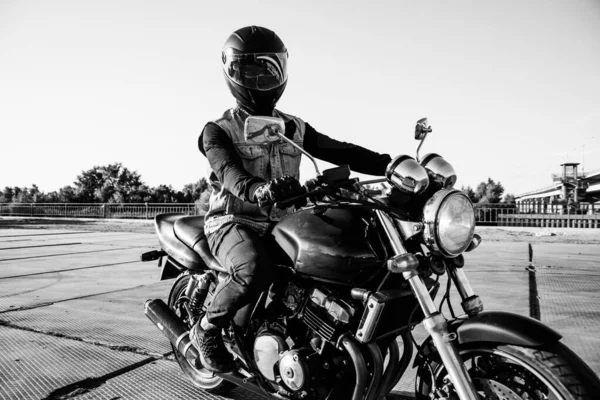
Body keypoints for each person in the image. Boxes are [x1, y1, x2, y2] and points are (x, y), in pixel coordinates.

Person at [191, 25, 392, 373]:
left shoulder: (294, 127)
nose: (262, 77)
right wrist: (259, 190)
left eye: (270, 68)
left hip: (285, 221)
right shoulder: (218, 130)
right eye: (252, 69)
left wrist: (390, 164)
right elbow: (230, 174)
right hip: (234, 221)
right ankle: (206, 329)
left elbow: (340, 150)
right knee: (252, 268)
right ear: (233, 72)